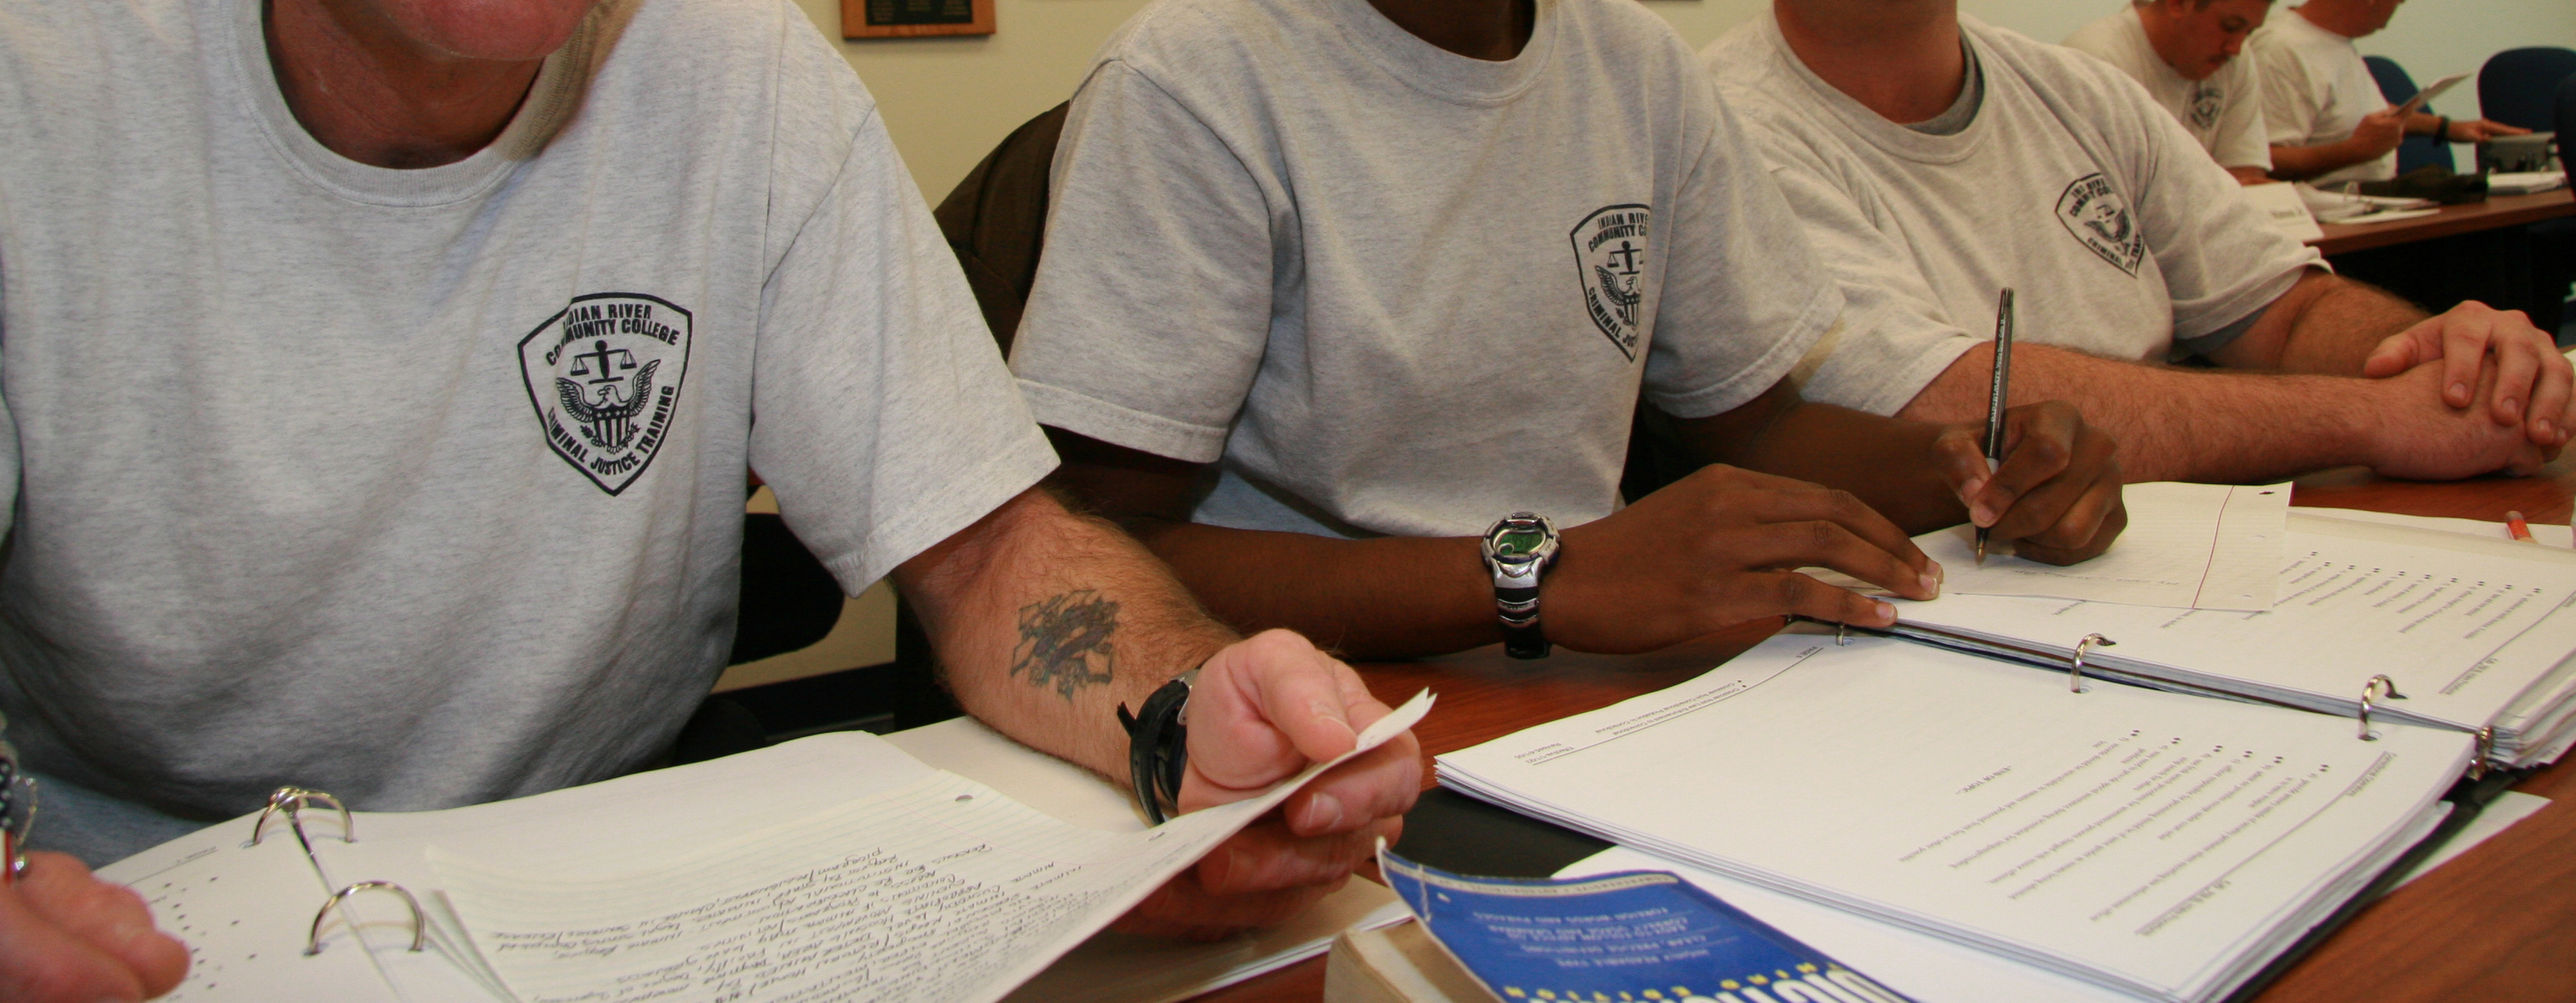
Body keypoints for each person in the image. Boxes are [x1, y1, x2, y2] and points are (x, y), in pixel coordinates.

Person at [0, 0, 1422, 996]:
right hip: (119, 910)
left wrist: (1176, 714)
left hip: (627, 898)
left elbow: (986, 555)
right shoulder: (38, 79)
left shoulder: (742, 73)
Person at [1006, 0, 2128, 663]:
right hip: (1319, 695)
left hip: (1592, 672)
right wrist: (1539, 577)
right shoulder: (1204, 73)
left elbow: (1760, 425)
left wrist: (1972, 463)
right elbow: (1093, 545)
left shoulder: (1633, 62)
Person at [1697, 0, 2569, 486]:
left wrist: (2440, 365)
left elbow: (2284, 308)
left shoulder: (2081, 92)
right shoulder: (1718, 124)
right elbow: (1947, 405)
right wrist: (2377, 417)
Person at [2250, 0, 2526, 184]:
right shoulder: (2279, 50)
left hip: (2363, 210)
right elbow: (2263, 161)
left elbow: (2355, 117)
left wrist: (2446, 128)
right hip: (2330, 224)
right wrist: (2354, 151)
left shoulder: (2332, 42)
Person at [2062, 0, 2277, 185]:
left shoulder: (2236, 60)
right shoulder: (2096, 62)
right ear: (2178, 3)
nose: (2236, 48)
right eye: (2230, 26)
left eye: (2249, 32)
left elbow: (2246, 176)